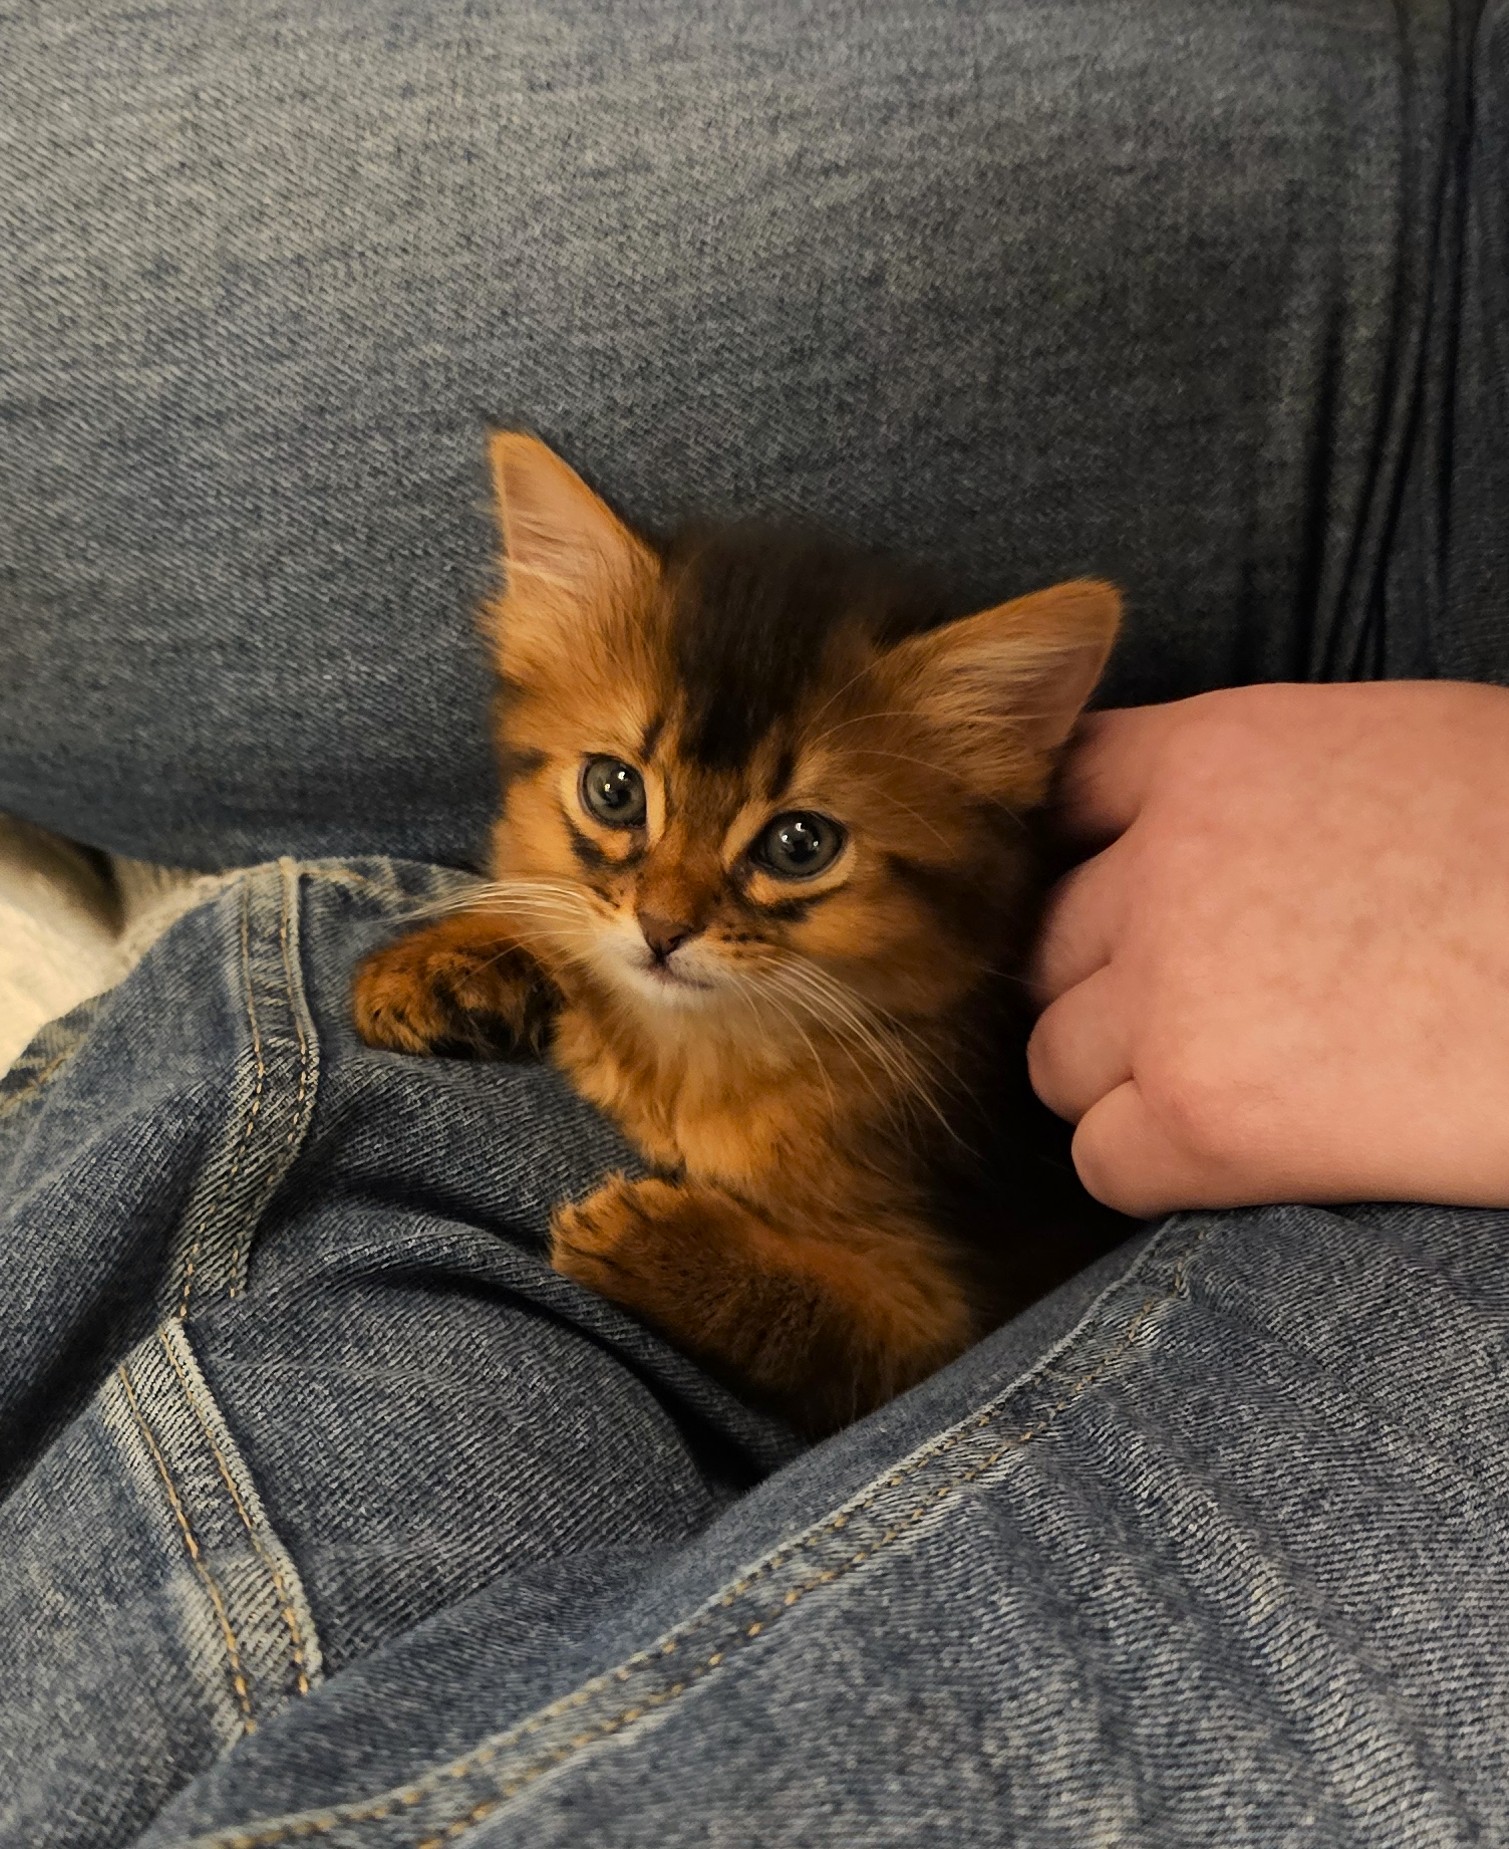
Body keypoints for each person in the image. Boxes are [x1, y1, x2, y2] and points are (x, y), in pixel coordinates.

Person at [1, 0, 1505, 1842]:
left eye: (789, 845)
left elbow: (924, 1331)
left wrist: (744, 1287)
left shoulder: (891, 1087)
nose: (663, 903)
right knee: (275, 1092)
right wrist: (514, 932)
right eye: (615, 798)